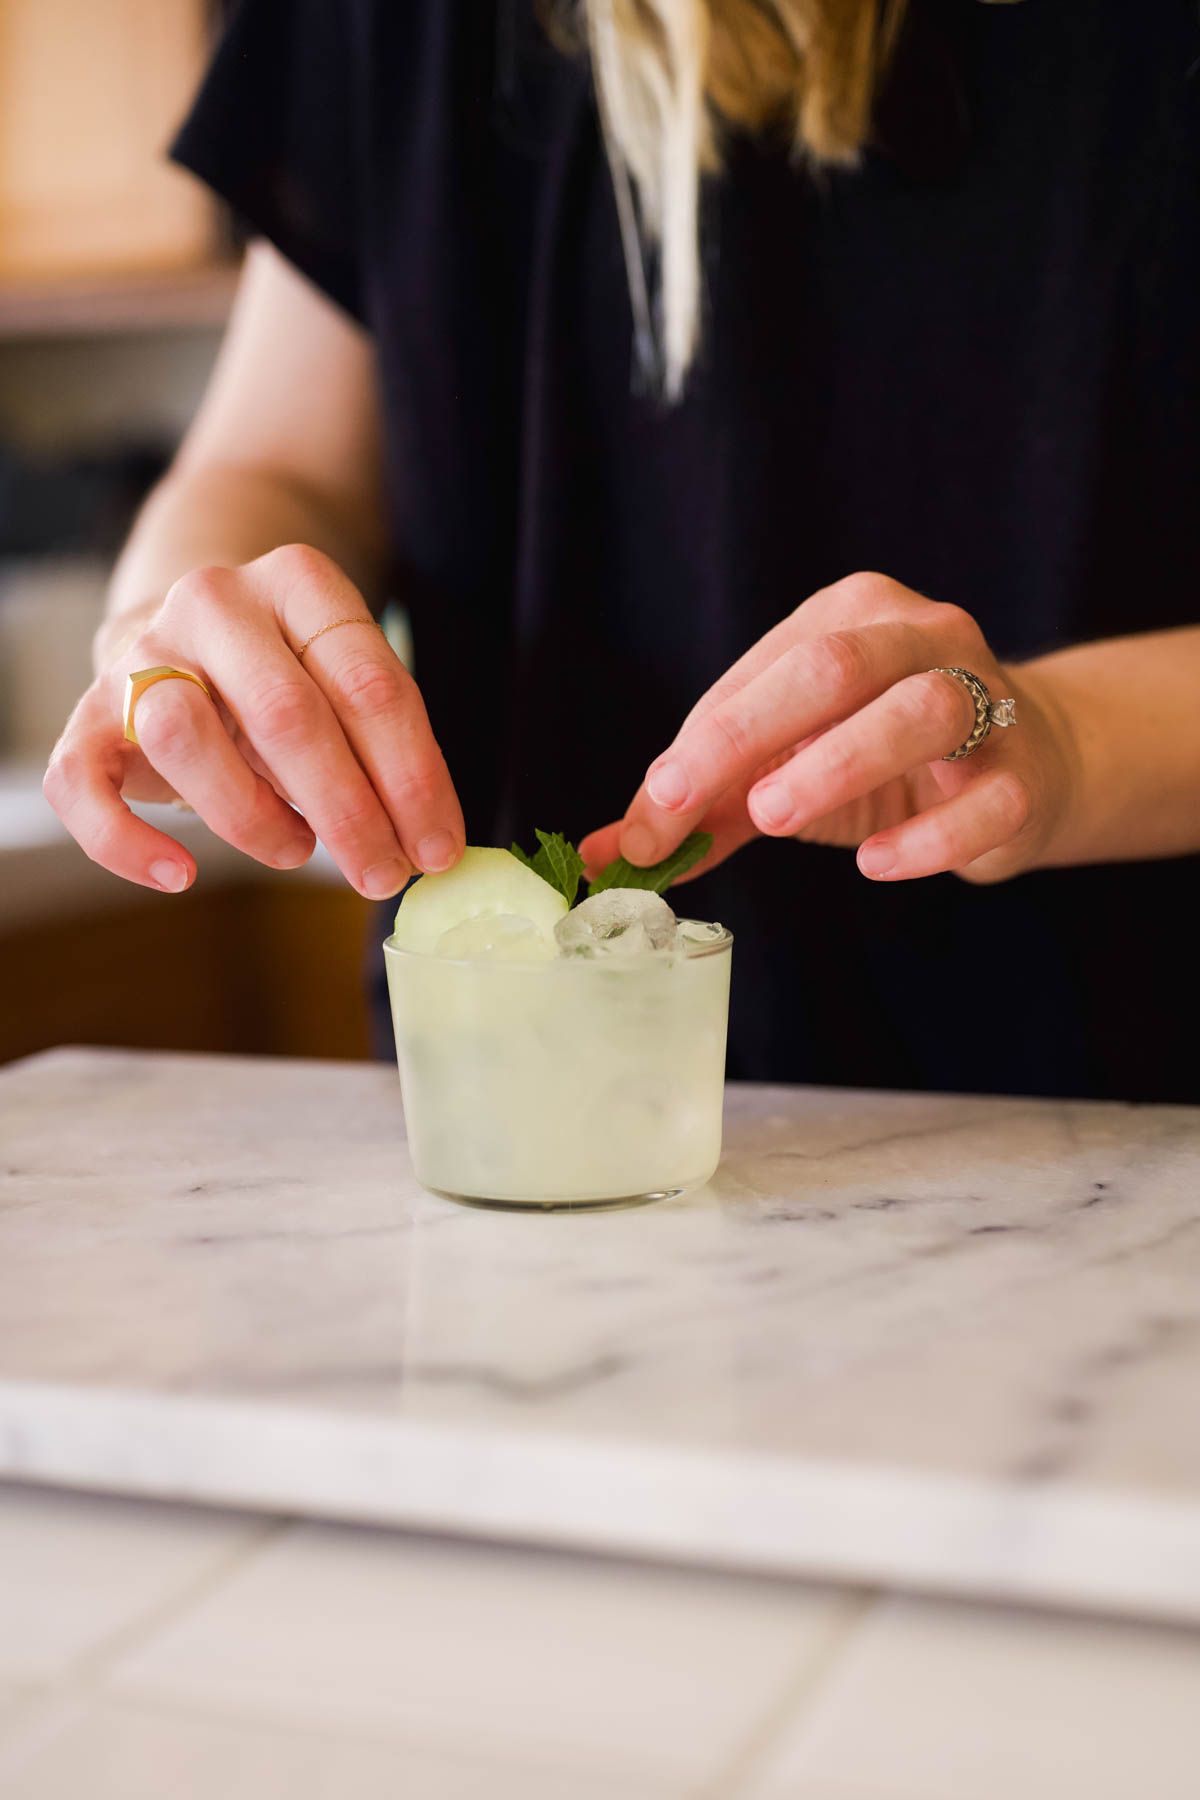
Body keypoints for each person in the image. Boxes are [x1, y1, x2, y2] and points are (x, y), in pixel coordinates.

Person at [44, 0, 1200, 1102]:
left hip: (1120, 1126)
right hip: (521, 1107)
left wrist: (1061, 742)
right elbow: (275, 465)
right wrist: (172, 636)